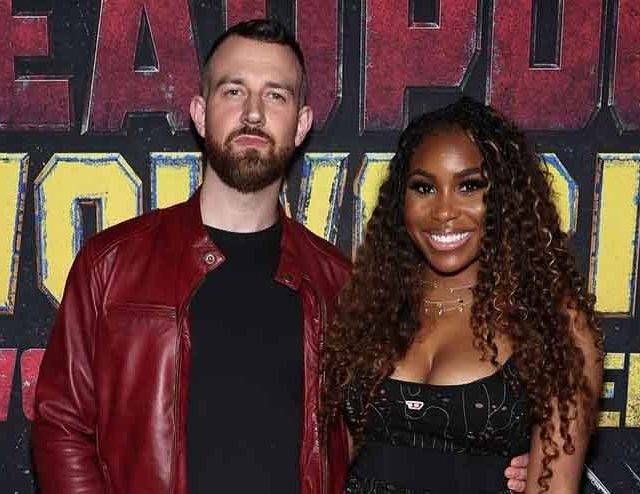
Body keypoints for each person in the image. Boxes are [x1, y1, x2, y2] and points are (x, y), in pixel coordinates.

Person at [31, 19, 529, 494]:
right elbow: (61, 426)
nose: (253, 113)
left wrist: (498, 461)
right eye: (233, 91)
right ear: (200, 114)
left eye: (275, 95)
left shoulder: (337, 283)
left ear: (301, 123)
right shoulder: (111, 265)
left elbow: (384, 426)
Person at [322, 98, 603, 493]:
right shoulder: (371, 305)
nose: (444, 212)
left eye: (469, 186)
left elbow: (554, 487)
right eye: (424, 187)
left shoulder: (554, 323)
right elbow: (329, 459)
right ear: (401, 199)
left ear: (504, 196)